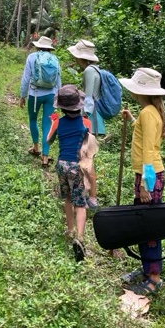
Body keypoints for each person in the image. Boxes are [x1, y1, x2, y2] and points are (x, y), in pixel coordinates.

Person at [119, 67, 165, 296]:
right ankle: (147, 268)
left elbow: (149, 150)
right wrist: (133, 119)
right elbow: (143, 136)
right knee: (143, 224)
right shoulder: (148, 112)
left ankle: (154, 278)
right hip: (146, 174)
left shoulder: (149, 113)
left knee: (149, 227)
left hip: (149, 175)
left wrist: (144, 185)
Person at [47, 85, 94, 262]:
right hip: (77, 165)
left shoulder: (59, 122)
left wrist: (53, 124)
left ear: (62, 108)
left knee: (68, 198)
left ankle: (70, 230)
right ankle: (80, 238)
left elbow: (48, 141)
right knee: (80, 202)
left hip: (61, 165)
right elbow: (90, 145)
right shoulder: (85, 123)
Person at [67, 39, 103, 208]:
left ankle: (90, 196)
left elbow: (88, 99)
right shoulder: (95, 69)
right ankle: (91, 196)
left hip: (89, 117)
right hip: (95, 117)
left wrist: (81, 121)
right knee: (88, 158)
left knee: (86, 159)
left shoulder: (89, 71)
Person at [19, 35, 61, 167]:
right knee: (47, 124)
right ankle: (45, 156)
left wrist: (22, 96)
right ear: (50, 48)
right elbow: (58, 81)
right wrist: (58, 97)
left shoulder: (32, 57)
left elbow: (26, 78)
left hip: (35, 94)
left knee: (33, 119)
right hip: (51, 95)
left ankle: (36, 148)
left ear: (38, 46)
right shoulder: (55, 59)